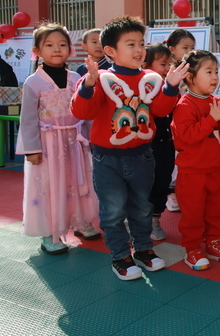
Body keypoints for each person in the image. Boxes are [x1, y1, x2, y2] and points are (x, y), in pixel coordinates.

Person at [71, 16, 189, 281]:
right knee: (112, 211)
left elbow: (159, 110)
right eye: (131, 44)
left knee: (142, 207)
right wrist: (88, 86)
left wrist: (170, 85)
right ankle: (120, 256)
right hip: (107, 159)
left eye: (141, 43)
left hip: (142, 156)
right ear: (111, 51)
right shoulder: (99, 78)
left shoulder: (151, 77)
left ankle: (144, 250)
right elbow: (81, 111)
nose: (139, 49)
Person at [16, 24, 100, 254]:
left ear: (71, 50)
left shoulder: (76, 78)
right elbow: (28, 119)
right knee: (49, 186)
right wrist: (31, 149)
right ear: (37, 50)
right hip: (48, 144)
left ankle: (82, 222)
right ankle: (50, 233)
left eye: (62, 44)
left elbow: (85, 110)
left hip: (75, 141)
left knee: (78, 180)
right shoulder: (33, 82)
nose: (57, 49)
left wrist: (91, 138)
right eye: (49, 45)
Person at [171, 50, 220, 270]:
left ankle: (212, 242)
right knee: (192, 213)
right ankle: (192, 249)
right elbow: (187, 137)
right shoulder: (184, 105)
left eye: (216, 71)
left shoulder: (215, 100)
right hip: (192, 172)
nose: (215, 77)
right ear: (190, 77)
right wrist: (212, 119)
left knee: (216, 210)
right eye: (208, 72)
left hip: (215, 169)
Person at [142, 43, 176, 241]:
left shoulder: (170, 86)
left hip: (166, 143)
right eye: (163, 64)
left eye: (169, 64)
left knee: (162, 181)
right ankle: (138, 220)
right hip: (146, 144)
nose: (167, 69)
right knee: (143, 184)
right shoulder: (142, 87)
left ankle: (155, 218)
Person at [163, 28, 196, 213]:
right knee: (172, 160)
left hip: (187, 121)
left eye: (192, 47)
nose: (189, 51)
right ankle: (171, 193)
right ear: (172, 49)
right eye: (184, 47)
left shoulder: (194, 68)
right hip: (171, 121)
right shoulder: (170, 71)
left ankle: (182, 191)